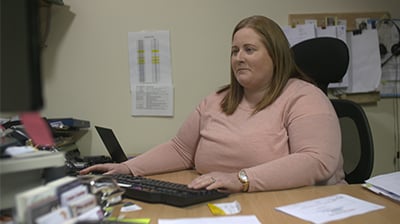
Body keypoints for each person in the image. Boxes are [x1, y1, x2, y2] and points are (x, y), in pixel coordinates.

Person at [80, 15, 346, 193]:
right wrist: (128, 167)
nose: (239, 57)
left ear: (275, 55)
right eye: (234, 51)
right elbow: (181, 149)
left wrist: (241, 179)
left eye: (249, 50)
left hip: (293, 207)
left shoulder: (304, 97)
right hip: (225, 202)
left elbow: (316, 162)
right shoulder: (217, 100)